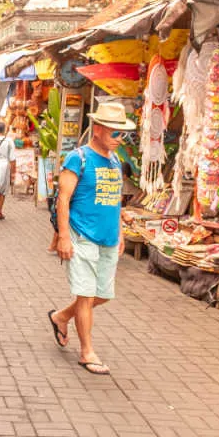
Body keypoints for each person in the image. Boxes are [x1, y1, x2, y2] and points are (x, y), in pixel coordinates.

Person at [47, 103, 135, 376]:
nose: (119, 138)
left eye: (123, 133)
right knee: (85, 297)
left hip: (108, 238)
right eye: (115, 132)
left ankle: (60, 316)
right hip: (82, 235)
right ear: (97, 129)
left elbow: (115, 199)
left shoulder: (115, 161)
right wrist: (63, 237)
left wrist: (120, 232)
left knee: (103, 295)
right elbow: (63, 198)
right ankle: (87, 352)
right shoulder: (78, 158)